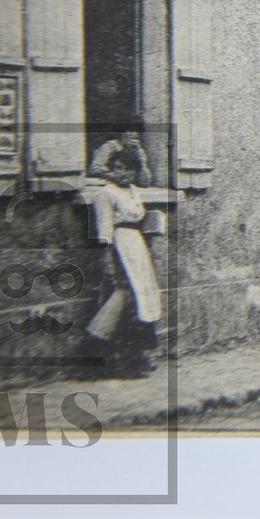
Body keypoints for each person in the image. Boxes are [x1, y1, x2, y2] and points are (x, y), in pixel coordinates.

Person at [81, 118, 162, 378]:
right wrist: (107, 259)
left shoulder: (133, 192)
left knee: (142, 296)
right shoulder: (107, 193)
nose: (121, 174)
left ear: (133, 172)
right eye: (117, 169)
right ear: (111, 169)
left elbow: (139, 214)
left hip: (136, 246)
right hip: (120, 246)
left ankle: (136, 354)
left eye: (127, 170)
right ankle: (101, 345)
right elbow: (105, 228)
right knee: (124, 295)